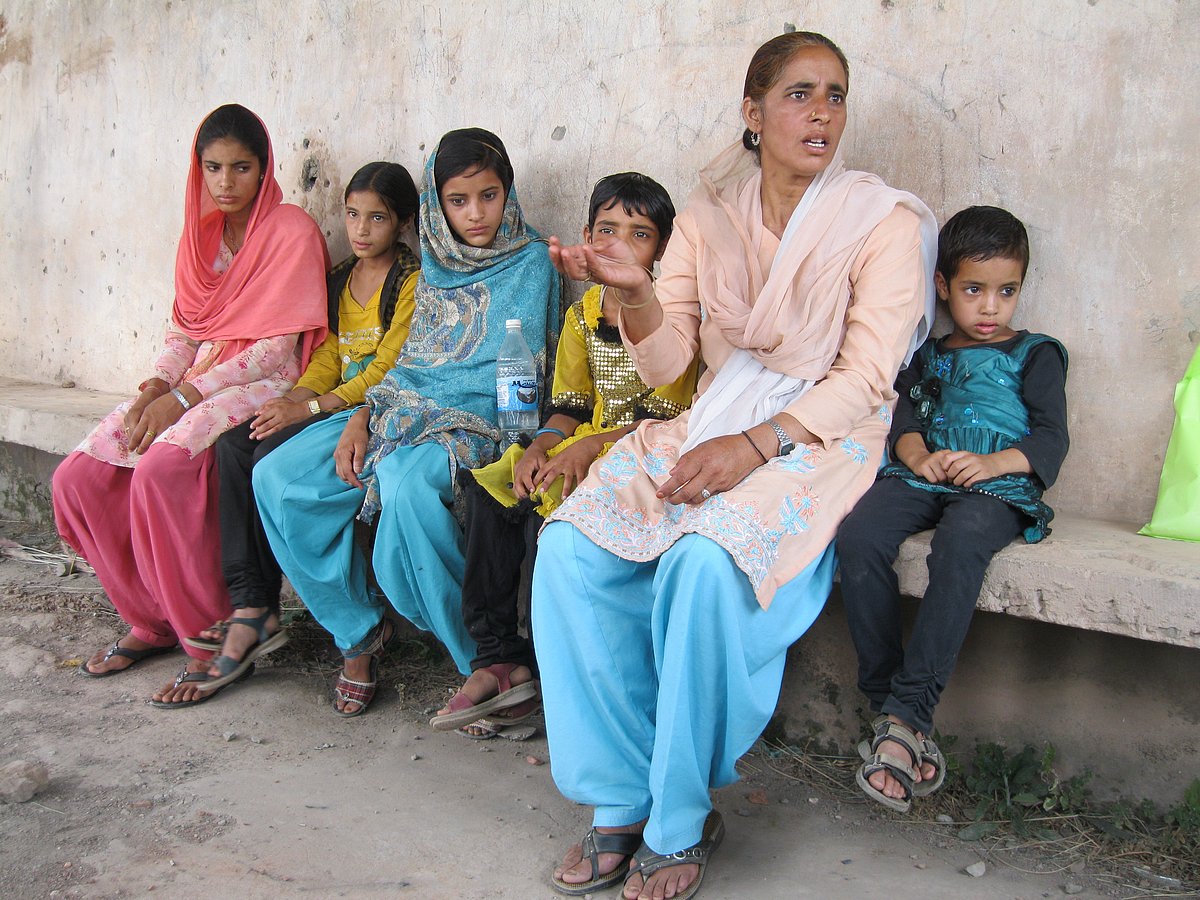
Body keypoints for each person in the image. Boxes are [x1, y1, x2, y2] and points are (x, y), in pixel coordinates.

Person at [536, 32, 938, 900]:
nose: (821, 112)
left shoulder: (883, 222)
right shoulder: (711, 209)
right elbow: (669, 364)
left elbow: (868, 378)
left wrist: (756, 447)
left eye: (834, 94)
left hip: (823, 434)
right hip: (712, 416)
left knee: (702, 564)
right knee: (570, 548)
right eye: (799, 94)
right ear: (752, 113)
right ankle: (618, 797)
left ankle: (679, 817)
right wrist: (633, 292)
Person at [251, 128, 561, 716]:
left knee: (406, 484)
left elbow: (522, 381)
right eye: (458, 200)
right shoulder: (435, 264)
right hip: (397, 406)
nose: (476, 215)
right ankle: (357, 630)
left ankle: (483, 661)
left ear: (509, 192)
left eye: (490, 196)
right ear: (435, 204)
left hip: (481, 421)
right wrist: (361, 415)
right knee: (277, 478)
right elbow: (410, 363)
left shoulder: (530, 262)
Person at [52, 104, 328, 706]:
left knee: (162, 469)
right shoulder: (198, 235)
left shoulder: (290, 231)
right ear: (197, 170)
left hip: (265, 379)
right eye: (213, 168)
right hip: (198, 378)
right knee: (80, 476)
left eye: (241, 168)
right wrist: (157, 386)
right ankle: (152, 619)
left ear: (265, 169)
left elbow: (276, 348)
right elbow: (184, 331)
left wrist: (184, 397)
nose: (226, 183)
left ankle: (213, 636)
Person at [431, 172, 698, 738]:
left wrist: (581, 453)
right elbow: (570, 406)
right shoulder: (581, 317)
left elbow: (668, 422)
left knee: (550, 525)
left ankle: (558, 683)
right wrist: (543, 444)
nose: (619, 244)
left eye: (639, 233)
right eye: (607, 229)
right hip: (582, 445)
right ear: (585, 235)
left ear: (663, 251)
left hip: (643, 455)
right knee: (493, 493)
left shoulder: (673, 322)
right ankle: (499, 660)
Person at [836, 206, 1069, 812]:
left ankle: (906, 717)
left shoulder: (1036, 355)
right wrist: (919, 461)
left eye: (1006, 291)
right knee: (859, 536)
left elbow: (1050, 439)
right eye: (973, 290)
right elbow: (904, 424)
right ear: (942, 287)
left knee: (961, 544)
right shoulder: (929, 356)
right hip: (924, 476)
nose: (990, 307)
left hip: (994, 488)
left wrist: (993, 465)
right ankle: (897, 709)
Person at [189, 162, 423, 690]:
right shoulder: (340, 276)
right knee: (236, 444)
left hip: (375, 410)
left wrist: (313, 409)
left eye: (377, 218)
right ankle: (252, 599)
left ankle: (351, 627)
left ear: (404, 222)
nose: (360, 230)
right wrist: (293, 399)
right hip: (329, 405)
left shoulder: (411, 281)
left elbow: (390, 367)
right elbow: (328, 355)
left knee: (283, 477)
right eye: (352, 215)